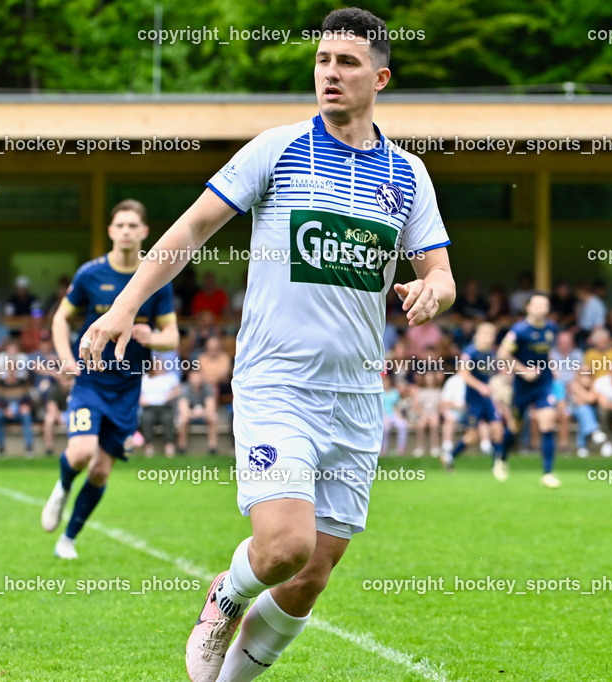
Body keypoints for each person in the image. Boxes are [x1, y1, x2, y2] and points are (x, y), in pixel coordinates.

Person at [73, 12, 456, 681]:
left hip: (358, 396)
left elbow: (440, 272)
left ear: (382, 77)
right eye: (322, 61)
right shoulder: (276, 149)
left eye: (347, 63)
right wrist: (122, 306)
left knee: (310, 576)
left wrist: (435, 293)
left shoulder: (408, 175)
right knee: (283, 547)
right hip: (277, 383)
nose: (330, 73)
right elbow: (189, 231)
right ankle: (222, 597)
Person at [39, 198, 179, 560]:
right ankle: (62, 487)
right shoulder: (90, 274)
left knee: (101, 471)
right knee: (83, 452)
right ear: (110, 231)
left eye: (134, 225)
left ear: (145, 232)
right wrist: (67, 361)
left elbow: (172, 337)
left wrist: (153, 337)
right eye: (121, 225)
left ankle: (68, 539)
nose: (127, 231)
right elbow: (59, 319)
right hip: (91, 381)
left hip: (128, 387)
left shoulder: (155, 279)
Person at [497, 293, 561, 487]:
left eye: (545, 305)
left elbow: (545, 350)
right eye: (537, 305)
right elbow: (502, 355)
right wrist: (524, 371)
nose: (541, 309)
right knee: (515, 427)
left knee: (547, 424)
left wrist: (552, 366)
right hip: (522, 386)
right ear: (529, 308)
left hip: (544, 383)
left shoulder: (551, 328)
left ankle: (547, 473)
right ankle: (502, 459)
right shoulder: (519, 330)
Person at [443, 322, 505, 468]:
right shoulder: (470, 352)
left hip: (487, 399)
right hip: (473, 400)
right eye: (483, 334)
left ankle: (498, 464)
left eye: (490, 335)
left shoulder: (491, 353)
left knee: (498, 429)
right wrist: (480, 386)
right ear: (477, 336)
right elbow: (462, 372)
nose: (486, 338)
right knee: (472, 437)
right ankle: (450, 456)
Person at [0, 350, 35, 457]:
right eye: (9, 368)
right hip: (5, 413)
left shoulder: (22, 383)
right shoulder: (0, 384)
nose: (11, 370)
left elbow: (29, 400)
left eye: (13, 368)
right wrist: (6, 410)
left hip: (19, 413)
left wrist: (25, 406)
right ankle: (0, 448)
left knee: (27, 415)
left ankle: (29, 448)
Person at [139, 358, 181, 457]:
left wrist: (170, 395)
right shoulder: (145, 378)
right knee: (146, 419)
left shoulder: (170, 377)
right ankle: (149, 446)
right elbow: (138, 393)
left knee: (168, 418)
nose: (158, 368)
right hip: (149, 407)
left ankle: (169, 445)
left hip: (165, 407)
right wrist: (141, 400)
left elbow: (178, 390)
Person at [177, 369, 219, 455]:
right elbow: (183, 409)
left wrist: (201, 413)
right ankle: (182, 447)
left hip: (204, 414)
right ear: (190, 378)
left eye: (198, 378)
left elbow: (211, 407)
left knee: (213, 417)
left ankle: (212, 448)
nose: (197, 380)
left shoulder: (207, 387)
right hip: (190, 415)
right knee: (182, 419)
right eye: (195, 378)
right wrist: (193, 413)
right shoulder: (185, 388)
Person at [567, 366, 605, 457]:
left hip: (592, 412)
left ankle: (582, 447)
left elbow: (591, 399)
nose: (586, 376)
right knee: (583, 409)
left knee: (584, 415)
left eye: (588, 372)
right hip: (574, 411)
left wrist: (585, 393)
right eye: (583, 373)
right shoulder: (574, 384)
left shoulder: (594, 384)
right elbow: (578, 402)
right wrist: (585, 396)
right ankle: (594, 431)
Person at [410, 369, 442, 456]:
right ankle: (420, 448)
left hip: (434, 414)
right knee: (421, 425)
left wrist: (435, 414)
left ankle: (435, 448)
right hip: (422, 414)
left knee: (434, 424)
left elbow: (440, 406)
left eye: (431, 377)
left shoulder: (438, 390)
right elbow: (416, 406)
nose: (429, 379)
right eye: (428, 377)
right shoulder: (419, 390)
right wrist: (423, 415)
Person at [380, 372, 408, 455]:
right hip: (384, 416)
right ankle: (383, 449)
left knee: (403, 424)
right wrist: (384, 416)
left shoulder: (395, 392)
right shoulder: (380, 393)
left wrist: (399, 414)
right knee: (385, 428)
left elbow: (397, 405)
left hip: (394, 415)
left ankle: (401, 448)